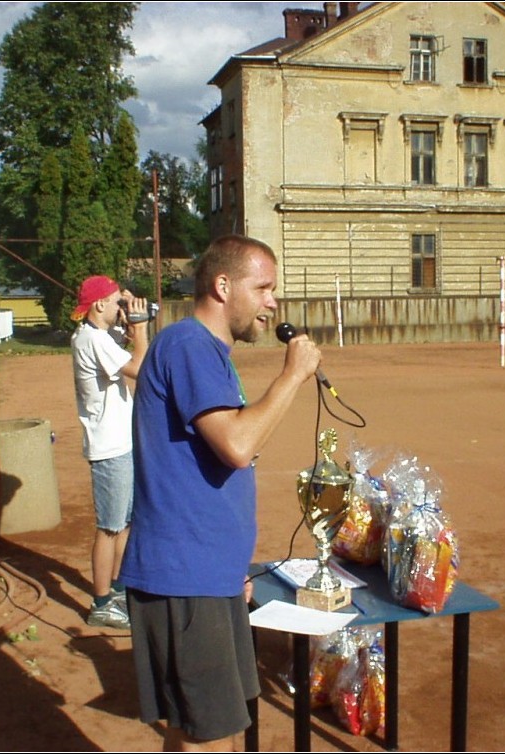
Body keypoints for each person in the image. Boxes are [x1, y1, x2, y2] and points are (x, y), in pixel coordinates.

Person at [120, 234, 322, 751]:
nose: (273, 303)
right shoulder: (189, 345)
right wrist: (292, 377)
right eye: (264, 288)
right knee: (207, 737)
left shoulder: (204, 350)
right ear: (223, 285)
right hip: (185, 577)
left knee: (208, 730)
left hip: (208, 573)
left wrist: (231, 569)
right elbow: (236, 444)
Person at [70, 275, 150, 629]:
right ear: (99, 305)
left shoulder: (102, 337)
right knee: (110, 526)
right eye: (117, 301)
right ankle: (101, 601)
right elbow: (140, 369)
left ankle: (118, 586)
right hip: (109, 447)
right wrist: (141, 329)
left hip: (121, 442)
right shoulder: (91, 339)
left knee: (125, 523)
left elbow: (126, 344)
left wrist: (130, 320)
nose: (123, 307)